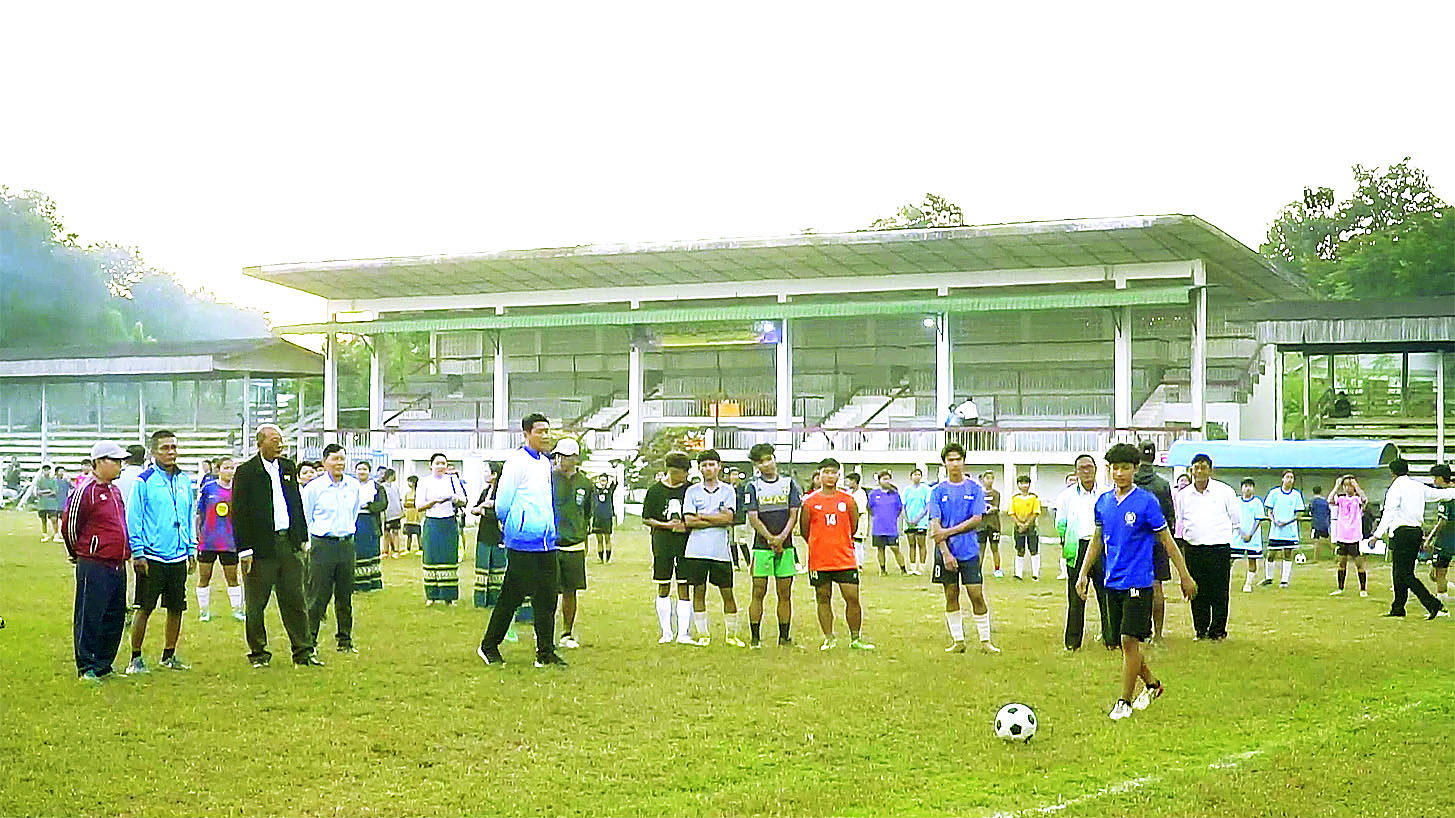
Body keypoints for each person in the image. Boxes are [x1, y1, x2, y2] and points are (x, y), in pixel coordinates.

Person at [1077, 443, 1197, 721]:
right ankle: (1153, 684)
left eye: (1125, 468)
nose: (1120, 473)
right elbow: (1097, 540)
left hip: (1138, 582)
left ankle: (1124, 702)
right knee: (1123, 643)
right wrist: (1083, 573)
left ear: (1136, 469)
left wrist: (1184, 575)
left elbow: (1167, 541)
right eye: (1115, 468)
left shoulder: (1146, 502)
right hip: (1112, 581)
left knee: (1129, 640)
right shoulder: (1103, 502)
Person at [479, 414, 566, 668]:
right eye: (540, 431)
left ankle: (545, 652)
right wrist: (513, 526)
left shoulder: (545, 463)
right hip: (523, 541)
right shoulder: (517, 462)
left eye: (548, 431)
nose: (545, 436)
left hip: (546, 542)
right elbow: (503, 502)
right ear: (527, 434)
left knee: (547, 598)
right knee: (512, 596)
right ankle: (489, 645)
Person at [233, 424, 319, 668]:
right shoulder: (247, 472)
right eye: (274, 440)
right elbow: (239, 512)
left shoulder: (288, 468)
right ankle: (258, 652)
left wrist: (301, 537)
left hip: (288, 543)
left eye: (281, 439)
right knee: (256, 603)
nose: (279, 444)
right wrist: (245, 549)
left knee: (295, 600)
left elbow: (296, 504)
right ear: (260, 443)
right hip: (260, 547)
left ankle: (303, 651)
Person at [124, 431, 195, 674]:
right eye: (165, 448)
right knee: (144, 607)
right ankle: (135, 658)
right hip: (152, 556)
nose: (171, 452)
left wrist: (191, 547)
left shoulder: (184, 480)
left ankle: (169, 654)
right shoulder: (143, 481)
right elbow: (134, 518)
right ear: (154, 452)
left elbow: (189, 515)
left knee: (176, 607)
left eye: (174, 447)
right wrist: (138, 552)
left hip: (178, 555)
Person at [62, 442, 130, 681]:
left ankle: (104, 664)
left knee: (114, 614)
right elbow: (70, 526)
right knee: (91, 614)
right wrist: (81, 552)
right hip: (94, 562)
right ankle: (87, 665)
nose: (120, 466)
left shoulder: (115, 491)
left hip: (117, 561)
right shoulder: (86, 491)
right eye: (116, 461)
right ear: (99, 462)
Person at [799, 458, 874, 651]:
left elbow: (853, 526)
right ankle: (829, 638)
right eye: (826, 472)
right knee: (823, 597)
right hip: (819, 560)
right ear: (819, 475)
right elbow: (805, 530)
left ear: (839, 475)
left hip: (844, 558)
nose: (830, 476)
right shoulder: (810, 502)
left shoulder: (848, 500)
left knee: (852, 597)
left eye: (834, 472)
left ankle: (855, 638)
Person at [930, 443, 998, 654]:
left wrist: (948, 532)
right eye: (950, 460)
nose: (954, 463)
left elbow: (976, 519)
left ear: (963, 461)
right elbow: (935, 525)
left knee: (976, 594)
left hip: (969, 550)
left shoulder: (975, 489)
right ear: (944, 463)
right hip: (945, 552)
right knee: (951, 594)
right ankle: (958, 640)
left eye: (958, 459)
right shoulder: (937, 491)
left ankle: (985, 641)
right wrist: (945, 552)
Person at [1372, 458, 1455, 619]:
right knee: (1399, 573)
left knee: (1404, 574)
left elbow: (1389, 513)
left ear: (1392, 473)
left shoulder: (1395, 489)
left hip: (1401, 533)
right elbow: (1439, 494)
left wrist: (1377, 534)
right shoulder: (1417, 486)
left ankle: (1434, 605)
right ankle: (1398, 607)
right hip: (1415, 532)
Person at [300, 444, 361, 654]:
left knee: (345, 596)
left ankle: (345, 640)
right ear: (325, 461)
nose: (339, 463)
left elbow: (354, 513)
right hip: (322, 545)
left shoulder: (353, 486)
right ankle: (309, 642)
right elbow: (306, 517)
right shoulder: (314, 488)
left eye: (342, 459)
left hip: (346, 545)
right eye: (335, 459)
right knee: (317, 596)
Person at [1175, 453, 1241, 641]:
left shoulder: (1225, 491)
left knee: (1219, 590)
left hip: (1219, 548)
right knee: (1196, 590)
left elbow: (1236, 519)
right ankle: (1200, 630)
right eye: (1196, 468)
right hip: (1194, 548)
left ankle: (1218, 630)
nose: (1199, 471)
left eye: (1203, 467)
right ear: (1191, 471)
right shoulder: (1183, 495)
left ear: (1210, 470)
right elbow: (1181, 519)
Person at [680, 449, 742, 647]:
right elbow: (689, 521)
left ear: (719, 467)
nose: (708, 468)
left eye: (712, 464)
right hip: (696, 550)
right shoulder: (692, 491)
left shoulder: (728, 490)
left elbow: (728, 518)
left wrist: (702, 515)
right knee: (699, 591)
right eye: (704, 465)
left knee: (727, 592)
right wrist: (716, 517)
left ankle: (731, 635)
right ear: (699, 468)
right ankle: (703, 634)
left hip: (720, 551)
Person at [743, 442, 801, 648]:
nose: (766, 464)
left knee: (785, 593)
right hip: (761, 546)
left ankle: (784, 637)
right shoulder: (752, 486)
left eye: (769, 459)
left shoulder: (789, 483)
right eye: (761, 462)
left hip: (786, 546)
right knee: (758, 591)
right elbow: (753, 518)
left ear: (775, 459)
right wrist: (770, 538)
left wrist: (781, 538)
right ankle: (755, 638)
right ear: (756, 465)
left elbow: (794, 514)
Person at [1057, 454, 1111, 651]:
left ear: (1096, 469)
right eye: (1082, 468)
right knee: (1076, 596)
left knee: (1106, 595)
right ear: (1076, 472)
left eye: (1089, 467)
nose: (1086, 471)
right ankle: (1072, 642)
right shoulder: (1066, 496)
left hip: (1103, 548)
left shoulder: (1107, 493)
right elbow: (1061, 524)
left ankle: (1111, 639)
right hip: (1078, 547)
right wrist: (1067, 547)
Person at [643, 452, 694, 644]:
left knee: (684, 584)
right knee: (663, 584)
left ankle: (683, 633)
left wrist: (685, 526)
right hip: (662, 543)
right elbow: (647, 518)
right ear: (673, 471)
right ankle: (666, 632)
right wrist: (666, 526)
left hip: (686, 543)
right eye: (683, 472)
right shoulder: (655, 491)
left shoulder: (690, 489)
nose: (686, 476)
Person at [550, 438, 593, 649]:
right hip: (551, 543)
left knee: (570, 591)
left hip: (575, 543)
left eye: (565, 457)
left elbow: (587, 513)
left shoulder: (585, 483)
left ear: (575, 458)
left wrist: (584, 538)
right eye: (558, 456)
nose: (561, 461)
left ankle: (567, 633)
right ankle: (546, 634)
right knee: (548, 591)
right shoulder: (548, 479)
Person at [1132, 441, 1175, 641]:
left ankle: (1138, 630)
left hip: (1133, 541)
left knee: (1133, 588)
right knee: (1157, 586)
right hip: (1158, 540)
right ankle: (1158, 634)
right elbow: (1170, 516)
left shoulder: (1129, 482)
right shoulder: (1162, 484)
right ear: (1155, 456)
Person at [194, 456, 244, 622]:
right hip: (208, 540)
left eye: (232, 468)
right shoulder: (209, 488)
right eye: (226, 468)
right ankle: (204, 611)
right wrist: (198, 534)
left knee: (232, 578)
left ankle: (237, 610)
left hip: (229, 541)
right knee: (204, 577)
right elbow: (199, 513)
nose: (229, 471)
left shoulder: (238, 488)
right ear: (218, 470)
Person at [418, 454, 466, 605]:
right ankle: (431, 595)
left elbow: (464, 500)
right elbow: (419, 506)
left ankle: (449, 596)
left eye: (443, 463)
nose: (440, 466)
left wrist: (454, 498)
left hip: (449, 522)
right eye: (437, 463)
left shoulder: (452, 480)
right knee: (431, 557)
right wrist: (433, 502)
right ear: (430, 465)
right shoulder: (424, 482)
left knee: (448, 557)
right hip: (432, 522)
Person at [1260, 471, 1305, 588]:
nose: (1289, 480)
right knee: (1271, 554)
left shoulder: (1296, 495)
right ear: (1282, 479)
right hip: (1276, 530)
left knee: (1287, 554)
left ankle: (1284, 580)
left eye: (1292, 478)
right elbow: (1269, 510)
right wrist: (1274, 521)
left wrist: (1287, 522)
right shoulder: (1274, 493)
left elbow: (1299, 513)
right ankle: (1268, 578)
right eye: (1287, 477)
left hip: (1289, 531)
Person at [470, 461, 505, 609]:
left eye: (486, 471)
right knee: (483, 565)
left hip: (497, 533)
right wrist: (478, 509)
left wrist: (484, 511)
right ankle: (481, 600)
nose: (484, 474)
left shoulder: (502, 492)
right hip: (484, 532)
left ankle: (495, 599)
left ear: (494, 474)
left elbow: (500, 513)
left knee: (497, 566)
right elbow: (475, 508)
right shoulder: (485, 492)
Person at [1329, 474, 1369, 597]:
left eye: (1350, 485)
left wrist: (1356, 485)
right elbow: (1330, 500)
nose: (1347, 488)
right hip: (1342, 536)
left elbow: (1364, 499)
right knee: (1341, 563)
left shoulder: (1357, 499)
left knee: (1359, 563)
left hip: (1354, 536)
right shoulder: (1341, 499)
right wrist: (1336, 486)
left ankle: (1363, 589)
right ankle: (1340, 588)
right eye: (1345, 486)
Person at [352, 461, 387, 593]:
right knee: (357, 551)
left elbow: (383, 504)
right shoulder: (350, 486)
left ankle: (373, 582)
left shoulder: (377, 487)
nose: (362, 472)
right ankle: (358, 583)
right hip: (355, 521)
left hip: (371, 522)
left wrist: (369, 506)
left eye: (364, 469)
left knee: (370, 551)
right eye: (359, 469)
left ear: (369, 472)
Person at [867, 470, 907, 576]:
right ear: (879, 481)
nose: (886, 481)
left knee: (895, 548)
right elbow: (870, 509)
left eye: (888, 479)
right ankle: (883, 569)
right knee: (880, 549)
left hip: (891, 527)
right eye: (884, 479)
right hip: (878, 527)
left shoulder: (895, 494)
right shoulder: (873, 494)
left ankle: (903, 569)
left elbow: (899, 509)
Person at [1426, 464, 1454, 601]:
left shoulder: (1446, 496)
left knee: (1438, 572)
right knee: (1436, 572)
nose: (1434, 481)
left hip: (1447, 538)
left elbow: (1442, 521)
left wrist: (1429, 539)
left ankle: (1442, 599)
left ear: (1441, 478)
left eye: (1435, 478)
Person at [1235, 479, 1266, 594]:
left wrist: (1250, 534)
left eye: (1250, 486)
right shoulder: (1236, 502)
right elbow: (1233, 518)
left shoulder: (1257, 502)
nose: (1248, 488)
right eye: (1245, 486)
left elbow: (1258, 519)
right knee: (1230, 559)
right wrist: (1241, 533)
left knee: (1252, 560)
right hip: (1237, 536)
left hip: (1253, 538)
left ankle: (1248, 583)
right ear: (1241, 488)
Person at [1009, 474, 1041, 581]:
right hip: (1018, 528)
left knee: (1034, 550)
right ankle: (1018, 573)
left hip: (1031, 528)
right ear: (1018, 485)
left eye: (1026, 483)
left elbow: (1035, 512)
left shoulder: (1034, 498)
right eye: (1022, 483)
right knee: (1020, 550)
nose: (1024, 486)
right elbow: (1011, 513)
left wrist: (1027, 524)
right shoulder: (1015, 499)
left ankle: (1035, 573)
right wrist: (1019, 524)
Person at [902, 467, 932, 575]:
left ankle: (922, 566)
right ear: (911, 477)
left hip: (921, 521)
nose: (917, 477)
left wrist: (918, 518)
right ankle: (913, 567)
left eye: (919, 475)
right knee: (911, 544)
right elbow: (903, 506)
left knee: (921, 543)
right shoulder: (906, 490)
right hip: (909, 521)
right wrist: (906, 519)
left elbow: (927, 506)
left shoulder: (926, 489)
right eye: (915, 475)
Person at [978, 470, 1004, 579]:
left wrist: (988, 509)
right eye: (987, 478)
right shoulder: (978, 493)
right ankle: (978, 570)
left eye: (992, 478)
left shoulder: (996, 493)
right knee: (981, 549)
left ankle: (997, 569)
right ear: (982, 479)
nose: (990, 481)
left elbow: (995, 507)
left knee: (995, 548)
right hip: (981, 525)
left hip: (994, 525)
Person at [590, 473, 617, 564]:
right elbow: (589, 482)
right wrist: (594, 477)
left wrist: (611, 475)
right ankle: (601, 558)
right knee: (599, 540)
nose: (603, 482)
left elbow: (615, 482)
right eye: (601, 480)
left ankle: (608, 559)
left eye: (604, 480)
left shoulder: (609, 490)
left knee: (607, 538)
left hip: (607, 517)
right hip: (597, 517)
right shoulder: (595, 490)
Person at [729, 469, 752, 570]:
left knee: (741, 541)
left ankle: (749, 562)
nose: (734, 477)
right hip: (729, 519)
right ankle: (735, 563)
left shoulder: (743, 489)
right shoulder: (727, 489)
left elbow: (746, 502)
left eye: (736, 474)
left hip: (740, 518)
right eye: (732, 475)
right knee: (732, 542)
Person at [845, 472, 869, 569]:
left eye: (850, 481)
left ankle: (859, 564)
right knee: (850, 543)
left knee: (858, 543)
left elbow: (860, 509)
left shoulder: (861, 494)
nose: (848, 483)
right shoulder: (848, 493)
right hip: (848, 521)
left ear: (855, 482)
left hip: (859, 520)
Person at [381, 469, 404, 559]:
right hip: (387, 513)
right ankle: (385, 551)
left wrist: (401, 510)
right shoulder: (382, 487)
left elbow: (399, 499)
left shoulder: (395, 486)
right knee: (386, 533)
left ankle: (396, 550)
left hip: (396, 513)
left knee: (395, 532)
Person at [34, 464, 60, 542]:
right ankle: (44, 534)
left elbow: (55, 492)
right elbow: (37, 492)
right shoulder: (39, 481)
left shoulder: (53, 480)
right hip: (42, 503)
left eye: (47, 470)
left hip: (52, 503)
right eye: (44, 470)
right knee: (43, 519)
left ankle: (56, 534)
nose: (46, 472)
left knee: (54, 519)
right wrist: (48, 491)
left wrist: (44, 492)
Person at [1309, 485, 1332, 562]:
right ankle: (1335, 554)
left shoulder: (1313, 501)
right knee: (1327, 540)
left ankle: (1315, 558)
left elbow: (1311, 512)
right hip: (1324, 523)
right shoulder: (1325, 501)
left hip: (1316, 523)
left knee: (1316, 540)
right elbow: (1328, 511)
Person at [401, 474, 421, 554]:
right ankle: (408, 548)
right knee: (409, 534)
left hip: (416, 515)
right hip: (408, 516)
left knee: (418, 533)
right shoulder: (407, 493)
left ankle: (420, 548)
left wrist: (412, 505)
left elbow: (418, 504)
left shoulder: (419, 493)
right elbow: (405, 504)